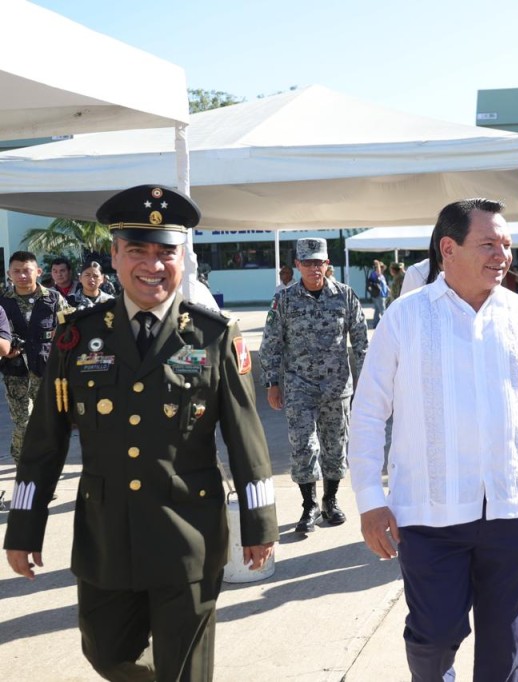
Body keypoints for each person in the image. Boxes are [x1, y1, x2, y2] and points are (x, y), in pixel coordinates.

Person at [3, 184, 278, 680]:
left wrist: (259, 525)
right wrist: (25, 526)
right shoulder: (76, 336)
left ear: (182, 257)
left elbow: (247, 440)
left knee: (184, 672)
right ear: (114, 254)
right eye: (137, 251)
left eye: (165, 252)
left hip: (187, 535)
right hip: (106, 534)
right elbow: (44, 441)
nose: (153, 265)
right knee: (107, 655)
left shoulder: (214, 337)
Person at [349, 198, 518, 682]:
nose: (503, 255)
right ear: (448, 249)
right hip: (430, 515)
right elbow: (369, 412)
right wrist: (370, 499)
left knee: (505, 650)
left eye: (507, 245)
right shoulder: (405, 318)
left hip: (512, 512)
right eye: (489, 244)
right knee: (434, 637)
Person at [260, 238, 367, 533]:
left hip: (337, 387)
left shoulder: (345, 296)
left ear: (327, 264)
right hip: (299, 386)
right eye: (307, 263)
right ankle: (309, 505)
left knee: (335, 446)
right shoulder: (284, 300)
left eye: (318, 262)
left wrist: (367, 381)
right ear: (297, 266)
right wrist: (272, 382)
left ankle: (330, 500)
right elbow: (271, 344)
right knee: (303, 446)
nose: (313, 268)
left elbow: (360, 341)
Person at [0, 251, 70, 464]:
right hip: (15, 372)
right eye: (17, 271)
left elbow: (71, 328)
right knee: (23, 423)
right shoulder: (2, 301)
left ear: (38, 272)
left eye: (27, 271)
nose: (22, 275)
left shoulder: (53, 298)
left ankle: (43, 469)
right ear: (8, 273)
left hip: (46, 370)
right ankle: (23, 464)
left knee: (47, 423)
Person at [366, 259, 388, 328]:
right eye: (381, 267)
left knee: (377, 310)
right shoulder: (375, 274)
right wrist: (378, 264)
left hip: (382, 295)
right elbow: (378, 272)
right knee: (382, 310)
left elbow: (384, 285)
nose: (382, 269)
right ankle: (386, 325)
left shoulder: (381, 276)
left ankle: (375, 324)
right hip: (379, 295)